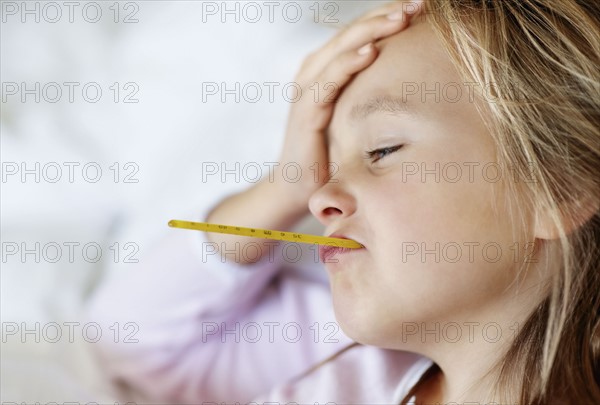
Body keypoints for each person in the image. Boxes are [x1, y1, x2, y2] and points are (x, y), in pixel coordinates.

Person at [86, 0, 600, 403]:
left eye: (383, 149)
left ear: (560, 190)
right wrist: (283, 186)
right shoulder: (353, 370)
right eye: (324, 167)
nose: (320, 199)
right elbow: (128, 342)